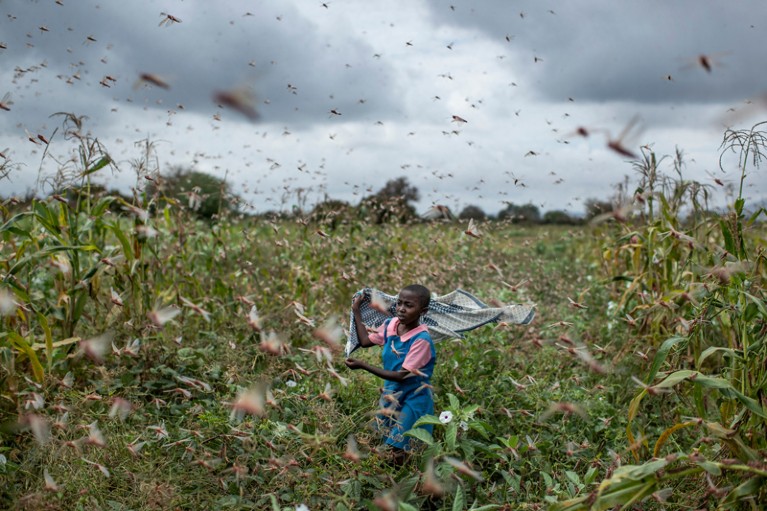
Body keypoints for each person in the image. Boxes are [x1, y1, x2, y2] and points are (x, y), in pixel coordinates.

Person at [345, 284, 436, 465]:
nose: (401, 309)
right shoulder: (391, 324)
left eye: (409, 305)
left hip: (414, 397)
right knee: (383, 438)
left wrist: (364, 365)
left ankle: (401, 483)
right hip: (392, 394)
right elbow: (364, 341)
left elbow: (401, 375)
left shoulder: (421, 340)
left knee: (399, 446)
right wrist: (356, 311)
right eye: (399, 303)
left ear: (423, 311)